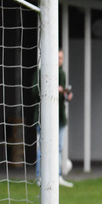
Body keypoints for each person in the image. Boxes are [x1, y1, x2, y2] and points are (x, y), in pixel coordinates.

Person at [34, 48, 74, 188]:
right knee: (43, 147)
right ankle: (40, 176)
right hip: (44, 118)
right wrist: (50, 88)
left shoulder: (62, 74)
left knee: (58, 147)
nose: (59, 61)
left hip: (59, 118)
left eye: (61, 58)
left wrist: (67, 95)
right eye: (57, 57)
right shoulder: (40, 72)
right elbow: (34, 92)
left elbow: (63, 96)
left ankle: (57, 176)